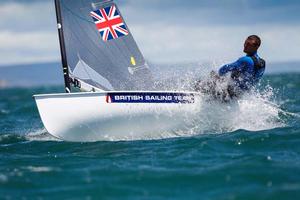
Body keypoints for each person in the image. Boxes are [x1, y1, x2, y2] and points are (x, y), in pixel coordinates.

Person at [196, 35, 266, 101]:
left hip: (230, 93)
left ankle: (196, 92)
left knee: (213, 75)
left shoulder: (245, 60)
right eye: (245, 43)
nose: (245, 45)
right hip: (242, 94)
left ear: (256, 47)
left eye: (248, 44)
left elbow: (222, 70)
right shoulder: (262, 63)